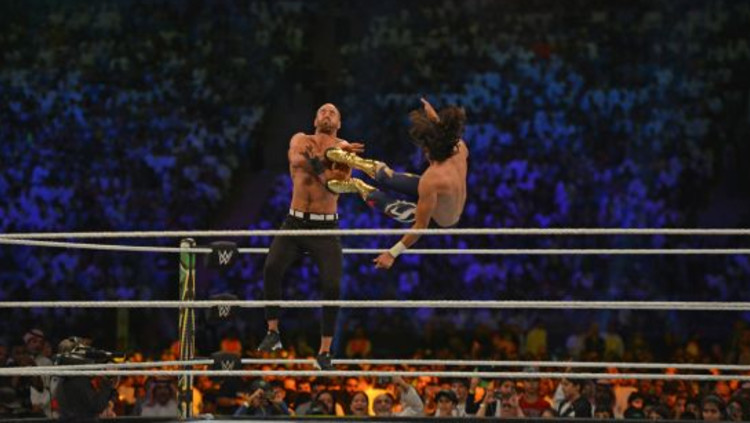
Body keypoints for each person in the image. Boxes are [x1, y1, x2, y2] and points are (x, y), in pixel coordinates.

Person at [256, 103, 362, 370]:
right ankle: (272, 332)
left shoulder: (344, 147)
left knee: (332, 286)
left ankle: (325, 351)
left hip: (325, 228)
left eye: (333, 112)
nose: (327, 114)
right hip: (294, 222)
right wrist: (328, 159)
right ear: (315, 119)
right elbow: (296, 160)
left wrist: (318, 159)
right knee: (271, 268)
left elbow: (333, 183)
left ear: (339, 123)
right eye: (323, 111)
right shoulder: (300, 138)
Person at [325, 97, 468, 269]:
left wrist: (392, 253)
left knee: (394, 205)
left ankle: (357, 185)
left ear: (429, 150)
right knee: (388, 178)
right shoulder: (460, 148)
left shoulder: (432, 179)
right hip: (446, 195)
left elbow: (421, 226)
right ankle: (355, 161)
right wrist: (434, 119)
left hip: (438, 221)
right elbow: (445, 134)